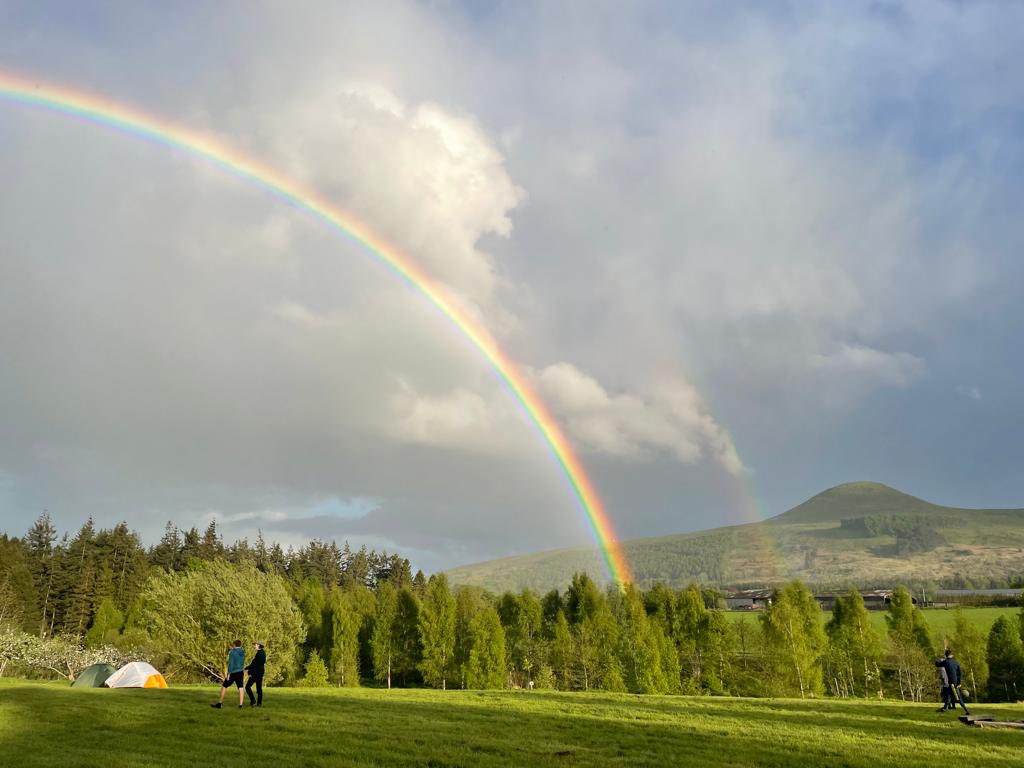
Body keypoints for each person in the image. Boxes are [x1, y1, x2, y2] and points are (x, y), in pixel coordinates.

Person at [212, 639, 246, 709]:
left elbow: (231, 664)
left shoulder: (232, 652)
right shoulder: (243, 652)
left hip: (233, 672)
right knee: (241, 687)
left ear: (234, 645)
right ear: (240, 645)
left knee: (224, 686)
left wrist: (228, 674)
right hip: (240, 672)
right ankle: (240, 705)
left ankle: (219, 703)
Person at [935, 649, 970, 715]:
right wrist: (959, 683)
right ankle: (945, 708)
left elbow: (937, 664)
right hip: (955, 683)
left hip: (952, 684)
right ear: (952, 655)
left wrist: (938, 660)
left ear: (946, 655)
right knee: (948, 696)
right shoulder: (956, 662)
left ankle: (967, 711)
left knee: (958, 698)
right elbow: (960, 673)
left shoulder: (946, 662)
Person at [245, 642, 266, 707]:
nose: (255, 646)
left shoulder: (259, 654)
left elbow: (255, 665)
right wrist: (246, 668)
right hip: (259, 673)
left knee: (247, 687)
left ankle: (253, 701)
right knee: (259, 689)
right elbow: (254, 664)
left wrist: (249, 672)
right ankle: (258, 703)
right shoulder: (262, 653)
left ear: (259, 645)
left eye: (256, 645)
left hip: (256, 674)